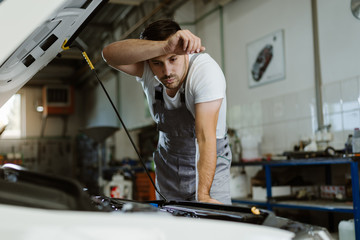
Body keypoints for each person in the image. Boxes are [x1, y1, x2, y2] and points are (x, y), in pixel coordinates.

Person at [102, 19, 232, 204]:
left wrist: (204, 196)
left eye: (173, 59)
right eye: (157, 63)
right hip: (169, 171)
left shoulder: (204, 72)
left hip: (209, 169)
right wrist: (164, 47)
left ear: (185, 53)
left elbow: (205, 137)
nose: (167, 71)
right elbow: (109, 54)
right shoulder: (148, 71)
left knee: (213, 229)